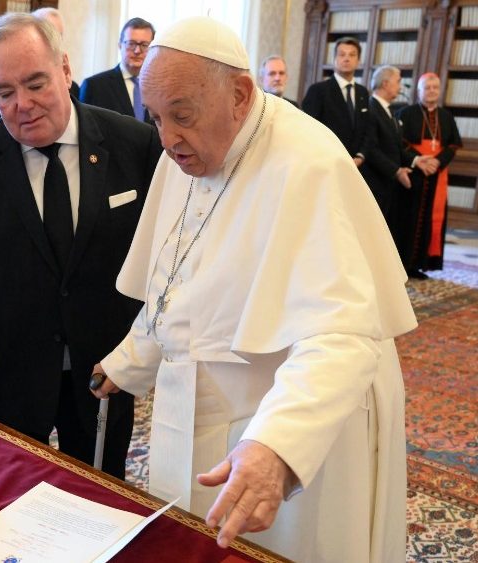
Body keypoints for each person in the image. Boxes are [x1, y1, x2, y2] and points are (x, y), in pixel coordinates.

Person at [90, 17, 415, 562]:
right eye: (156, 118)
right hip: (197, 405)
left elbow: (342, 337)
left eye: (181, 117)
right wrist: (133, 358)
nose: (166, 139)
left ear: (239, 95)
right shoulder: (187, 151)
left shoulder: (309, 163)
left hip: (288, 415)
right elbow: (178, 275)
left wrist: (278, 445)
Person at [0, 13, 163, 480]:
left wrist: (146, 344)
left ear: (65, 70)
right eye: (4, 92)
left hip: (105, 366)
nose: (22, 104)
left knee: (101, 493)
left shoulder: (135, 144)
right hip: (12, 367)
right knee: (10, 492)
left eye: (35, 83)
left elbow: (164, 254)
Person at [396, 73, 461, 278]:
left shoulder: (446, 116)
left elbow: (452, 145)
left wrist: (437, 162)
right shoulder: (406, 113)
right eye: (427, 87)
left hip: (437, 174)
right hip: (414, 174)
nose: (431, 91)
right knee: (408, 218)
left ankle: (419, 264)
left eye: (435, 87)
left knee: (431, 220)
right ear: (419, 91)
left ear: (439, 90)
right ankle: (402, 264)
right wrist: (422, 160)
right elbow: (400, 143)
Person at [0, 7, 78, 128]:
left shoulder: (107, 129)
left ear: (65, 71)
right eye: (6, 94)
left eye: (36, 86)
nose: (23, 105)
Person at [362, 65, 430, 229]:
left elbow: (396, 146)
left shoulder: (389, 110)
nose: (400, 86)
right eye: (398, 81)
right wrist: (396, 171)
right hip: (375, 183)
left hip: (388, 184)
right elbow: (371, 150)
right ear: (385, 84)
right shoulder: (371, 109)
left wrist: (416, 160)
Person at [302, 37, 370, 166]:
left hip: (357, 165)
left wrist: (361, 155)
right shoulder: (318, 90)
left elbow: (367, 128)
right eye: (341, 54)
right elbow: (309, 129)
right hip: (326, 162)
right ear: (334, 59)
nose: (346, 58)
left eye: (352, 55)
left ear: (358, 61)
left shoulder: (363, 92)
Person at [79, 18, 155, 122]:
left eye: (144, 45)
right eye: (131, 44)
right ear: (120, 45)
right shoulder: (94, 86)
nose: (137, 51)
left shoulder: (158, 86)